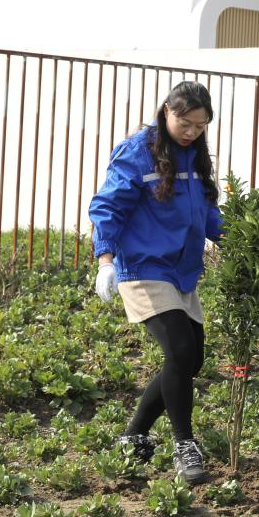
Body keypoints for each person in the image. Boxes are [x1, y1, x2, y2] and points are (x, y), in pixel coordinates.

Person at [88, 81, 222, 485]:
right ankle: (185, 446)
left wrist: (237, 239)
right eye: (185, 122)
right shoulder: (137, 152)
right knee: (179, 350)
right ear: (166, 111)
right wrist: (105, 259)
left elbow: (205, 210)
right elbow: (108, 206)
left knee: (191, 360)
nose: (191, 132)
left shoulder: (195, 155)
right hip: (143, 266)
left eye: (200, 126)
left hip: (181, 270)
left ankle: (134, 436)